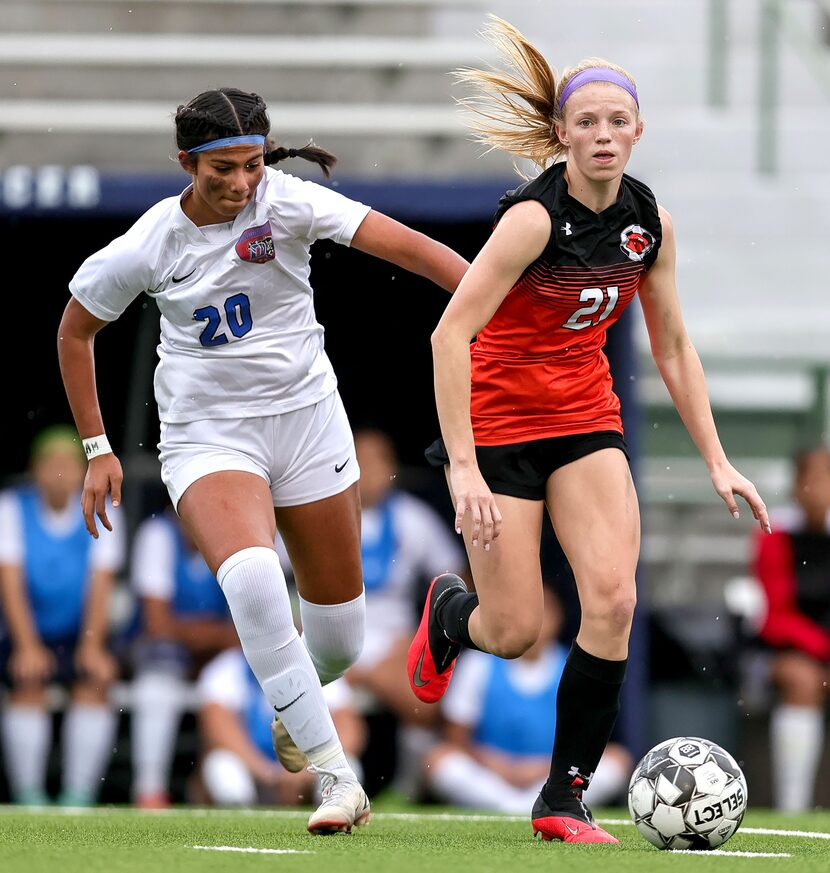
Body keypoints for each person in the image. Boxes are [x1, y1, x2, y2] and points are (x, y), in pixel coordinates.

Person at [57, 87, 468, 834]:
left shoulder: (289, 201)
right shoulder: (151, 241)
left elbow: (411, 248)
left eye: (253, 164)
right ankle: (338, 779)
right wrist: (96, 446)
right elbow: (75, 331)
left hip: (308, 423)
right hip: (210, 435)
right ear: (186, 162)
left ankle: (298, 698)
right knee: (252, 577)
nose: (242, 183)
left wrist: (493, 305)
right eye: (223, 169)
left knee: (340, 641)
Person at [407, 16, 770, 844]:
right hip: (499, 424)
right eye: (588, 122)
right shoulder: (533, 220)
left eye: (618, 122)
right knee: (514, 630)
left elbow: (673, 343)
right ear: (562, 134)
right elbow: (449, 335)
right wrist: (462, 467)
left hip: (584, 420)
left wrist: (717, 458)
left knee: (612, 598)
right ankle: (452, 616)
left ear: (638, 132)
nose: (603, 135)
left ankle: (563, 798)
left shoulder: (651, 223)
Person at [0, 425, 123, 805]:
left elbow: (100, 589)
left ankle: (78, 795)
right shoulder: (10, 507)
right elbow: (11, 585)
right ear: (34, 470)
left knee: (96, 681)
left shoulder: (101, 509)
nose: (58, 473)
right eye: (49, 464)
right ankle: (29, 795)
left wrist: (92, 647)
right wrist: (26, 647)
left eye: (67, 464)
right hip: (25, 632)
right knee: (27, 682)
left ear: (82, 472)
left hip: (77, 632)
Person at [424, 586, 631, 812]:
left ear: (559, 618)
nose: (537, 621)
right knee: (439, 760)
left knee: (618, 761)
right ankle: (519, 806)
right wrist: (500, 767)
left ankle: (542, 800)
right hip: (493, 780)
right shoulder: (478, 664)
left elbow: (590, 742)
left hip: (552, 777)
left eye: (545, 611)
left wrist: (544, 769)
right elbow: (457, 739)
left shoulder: (575, 669)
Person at [129, 505, 239, 808]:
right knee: (158, 678)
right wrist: (218, 634)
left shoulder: (231, 540)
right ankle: (149, 790)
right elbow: (158, 625)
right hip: (162, 652)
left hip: (215, 656)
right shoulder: (157, 534)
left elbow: (246, 624)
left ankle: (216, 787)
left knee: (240, 674)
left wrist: (214, 638)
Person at [753, 444, 830, 812]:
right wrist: (821, 647)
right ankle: (794, 806)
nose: (822, 487)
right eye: (814, 477)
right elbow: (775, 616)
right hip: (783, 652)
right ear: (797, 487)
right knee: (804, 680)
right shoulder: (775, 537)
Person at [195, 646, 364, 807]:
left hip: (308, 773)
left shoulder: (313, 666)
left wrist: (305, 771)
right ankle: (235, 827)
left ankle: (331, 820)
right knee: (222, 766)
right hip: (252, 771)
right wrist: (266, 772)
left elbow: (348, 727)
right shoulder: (229, 667)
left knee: (348, 765)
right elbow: (217, 727)